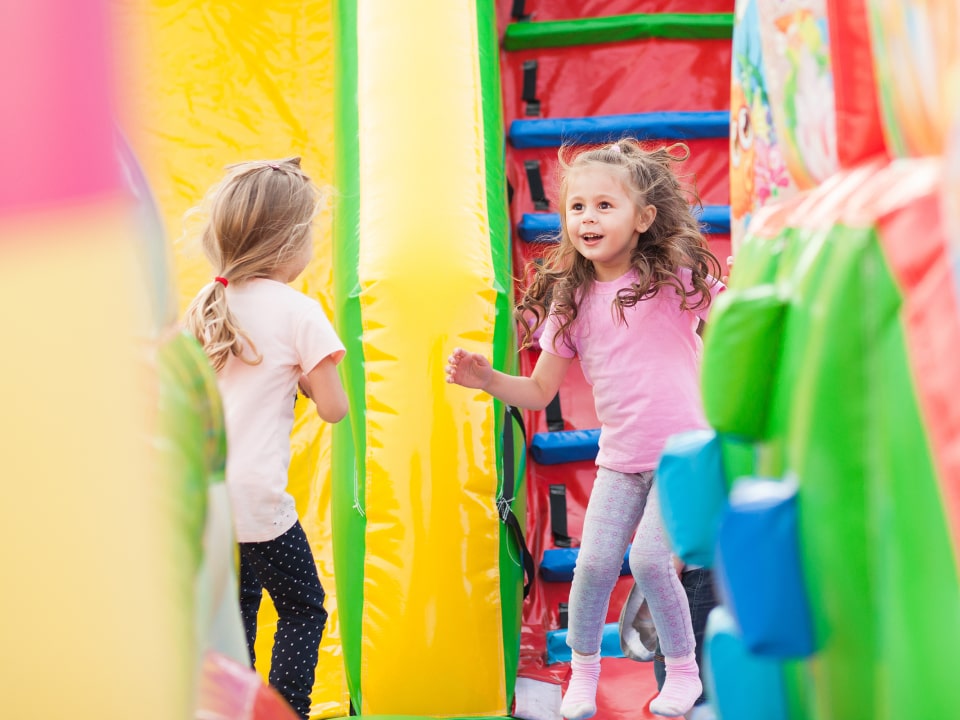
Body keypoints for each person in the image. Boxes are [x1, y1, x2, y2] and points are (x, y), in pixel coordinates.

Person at [446, 139, 724, 719]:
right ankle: (584, 671)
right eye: (577, 207)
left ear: (643, 218)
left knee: (650, 562)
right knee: (593, 566)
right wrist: (486, 378)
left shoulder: (673, 281)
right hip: (621, 459)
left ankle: (683, 672)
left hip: (682, 459)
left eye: (604, 206)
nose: (587, 218)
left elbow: (729, 322)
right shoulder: (571, 303)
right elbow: (539, 391)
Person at [184, 157, 349, 719]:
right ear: (289, 242)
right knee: (304, 607)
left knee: (238, 608)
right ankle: (286, 711)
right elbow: (334, 408)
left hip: (205, 496)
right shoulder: (299, 311)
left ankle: (230, 708)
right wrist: (303, 380)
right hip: (256, 496)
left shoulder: (207, 302)